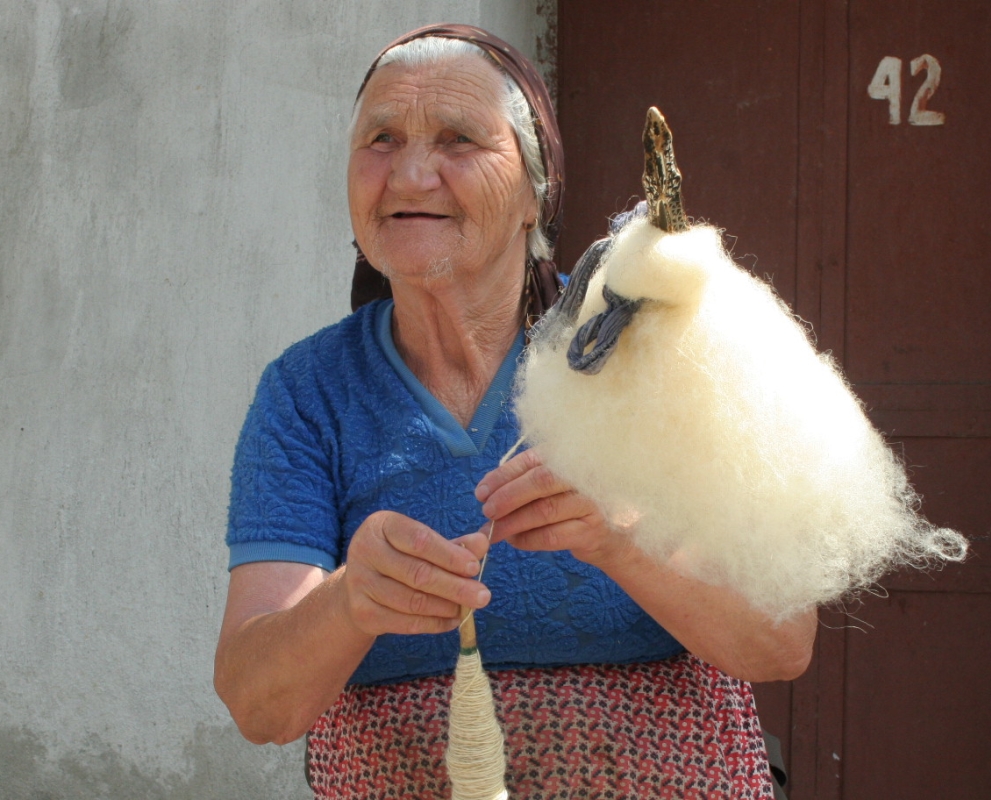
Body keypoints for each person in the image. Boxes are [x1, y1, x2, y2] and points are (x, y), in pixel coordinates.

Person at [214, 23, 817, 799]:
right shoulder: (309, 392)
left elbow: (781, 641)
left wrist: (620, 541)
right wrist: (347, 599)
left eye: (458, 140)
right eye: (381, 139)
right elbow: (260, 704)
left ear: (536, 193)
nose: (410, 173)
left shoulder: (648, 354)